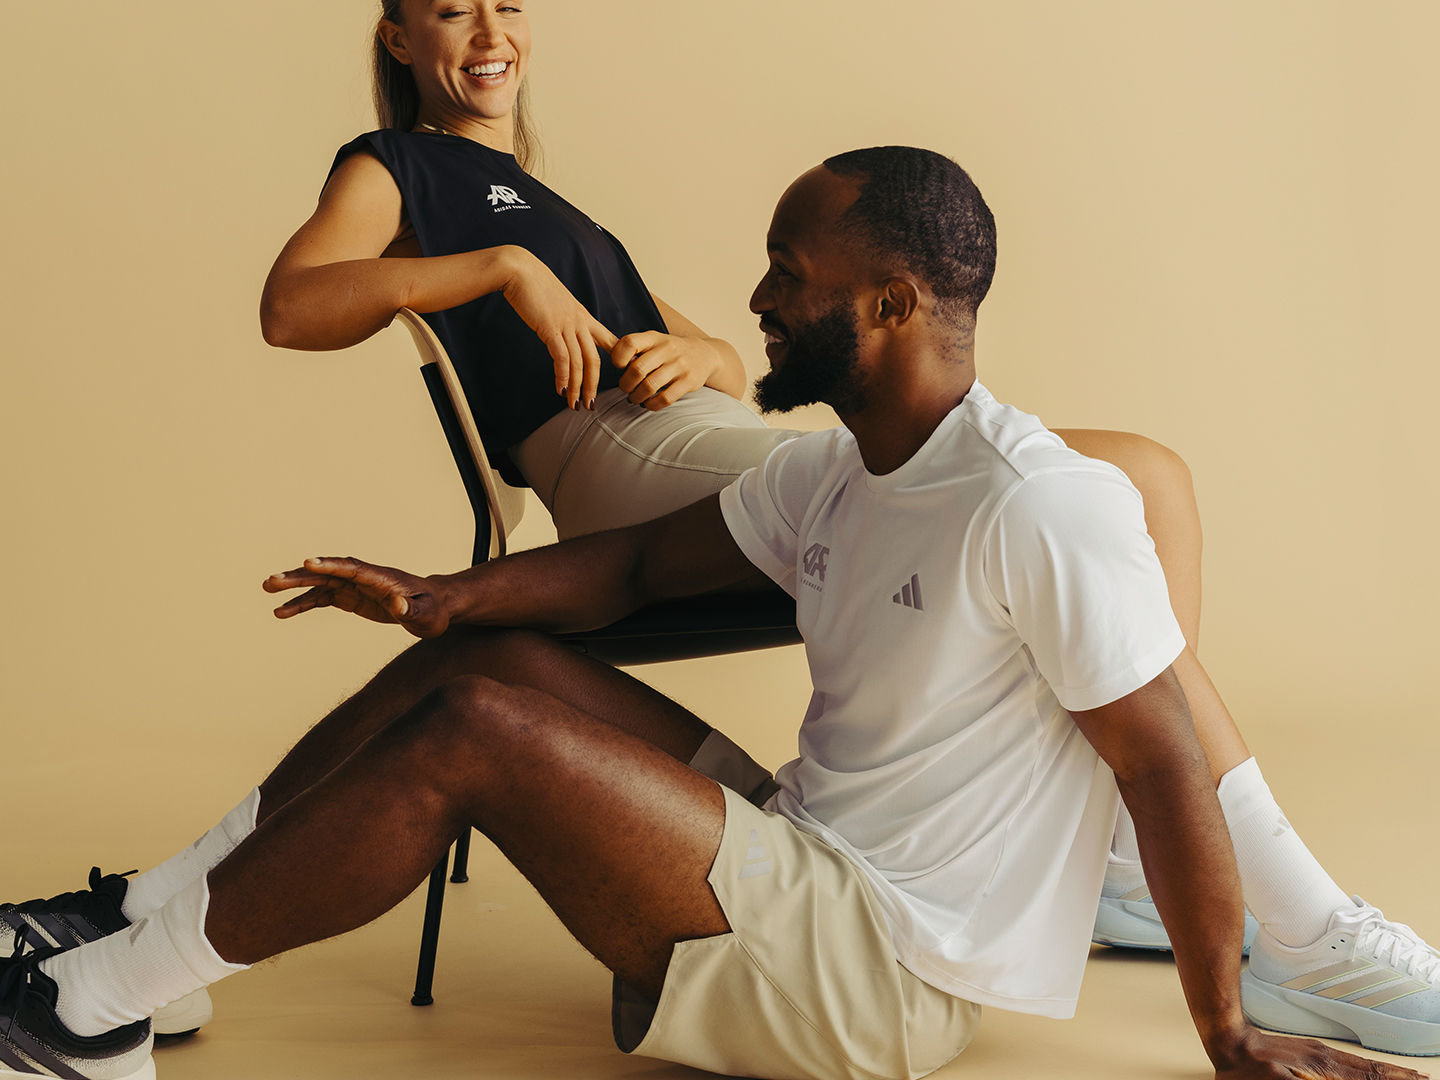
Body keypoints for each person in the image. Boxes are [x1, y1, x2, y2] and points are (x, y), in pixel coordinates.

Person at [2, 149, 1434, 1080]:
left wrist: (1227, 1034)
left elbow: (1164, 761)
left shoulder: (1037, 505)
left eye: (789, 278)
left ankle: (95, 1008)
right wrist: (440, 596)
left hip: (879, 978)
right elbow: (624, 575)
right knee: (495, 657)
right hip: (813, 862)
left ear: (887, 304)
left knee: (482, 734)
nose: (752, 299)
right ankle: (160, 930)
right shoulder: (843, 469)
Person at [259, 0, 1217, 944]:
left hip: (697, 439)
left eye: (507, 6)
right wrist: (502, 268)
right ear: (399, 37)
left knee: (1140, 483)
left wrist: (702, 352)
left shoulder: (548, 204)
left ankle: (1124, 861)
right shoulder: (397, 166)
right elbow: (292, 306)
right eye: (453, 12)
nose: (489, 34)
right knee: (1119, 484)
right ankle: (1162, 878)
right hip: (626, 462)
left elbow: (724, 364)